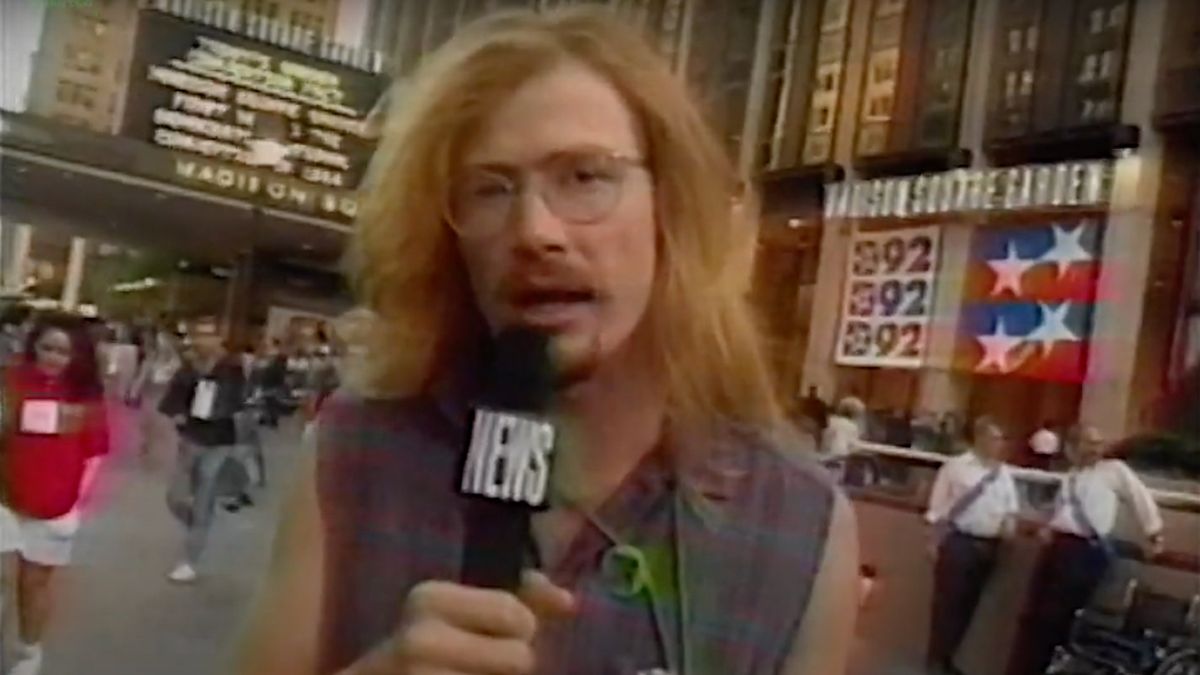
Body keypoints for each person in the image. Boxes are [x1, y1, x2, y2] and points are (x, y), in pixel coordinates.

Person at [235, 8, 858, 675]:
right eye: (491, 189)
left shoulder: (801, 524)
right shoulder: (357, 453)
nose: (534, 230)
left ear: (669, 212)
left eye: (585, 176)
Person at [1006, 424, 1166, 675]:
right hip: (1057, 547)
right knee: (1033, 616)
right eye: (1089, 443)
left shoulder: (1114, 471)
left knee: (1057, 618)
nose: (1095, 449)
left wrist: (1153, 533)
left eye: (1098, 443)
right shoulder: (1070, 477)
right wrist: (1048, 528)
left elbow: (1140, 499)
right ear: (1072, 448)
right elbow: (1062, 511)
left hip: (1083, 551)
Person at [0, 312, 108, 675]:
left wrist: (75, 505)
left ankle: (30, 651)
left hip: (56, 509)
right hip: (5, 497)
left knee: (33, 585)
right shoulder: (11, 382)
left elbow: (95, 453)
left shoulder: (88, 399)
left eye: (63, 352)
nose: (53, 358)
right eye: (46, 348)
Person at [923, 416, 1020, 675]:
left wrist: (1008, 530)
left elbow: (1010, 509)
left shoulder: (1004, 474)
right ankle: (935, 660)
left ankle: (950, 657)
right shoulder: (955, 468)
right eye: (995, 438)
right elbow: (937, 508)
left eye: (1002, 439)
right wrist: (933, 541)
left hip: (990, 546)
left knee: (969, 605)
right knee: (947, 604)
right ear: (980, 438)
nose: (1000, 444)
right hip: (959, 542)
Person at [158, 318, 246, 584]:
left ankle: (189, 559)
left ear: (219, 338)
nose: (203, 341)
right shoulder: (188, 366)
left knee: (205, 492)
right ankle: (197, 523)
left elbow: (237, 400)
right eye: (199, 335)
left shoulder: (232, 367)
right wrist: (176, 413)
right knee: (175, 496)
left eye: (209, 335)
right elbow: (174, 396)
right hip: (191, 436)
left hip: (219, 438)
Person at [129, 328, 182, 465]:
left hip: (156, 395)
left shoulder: (156, 361)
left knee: (150, 426)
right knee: (152, 426)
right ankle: (149, 450)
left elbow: (141, 378)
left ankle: (148, 450)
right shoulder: (174, 362)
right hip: (157, 395)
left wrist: (134, 393)